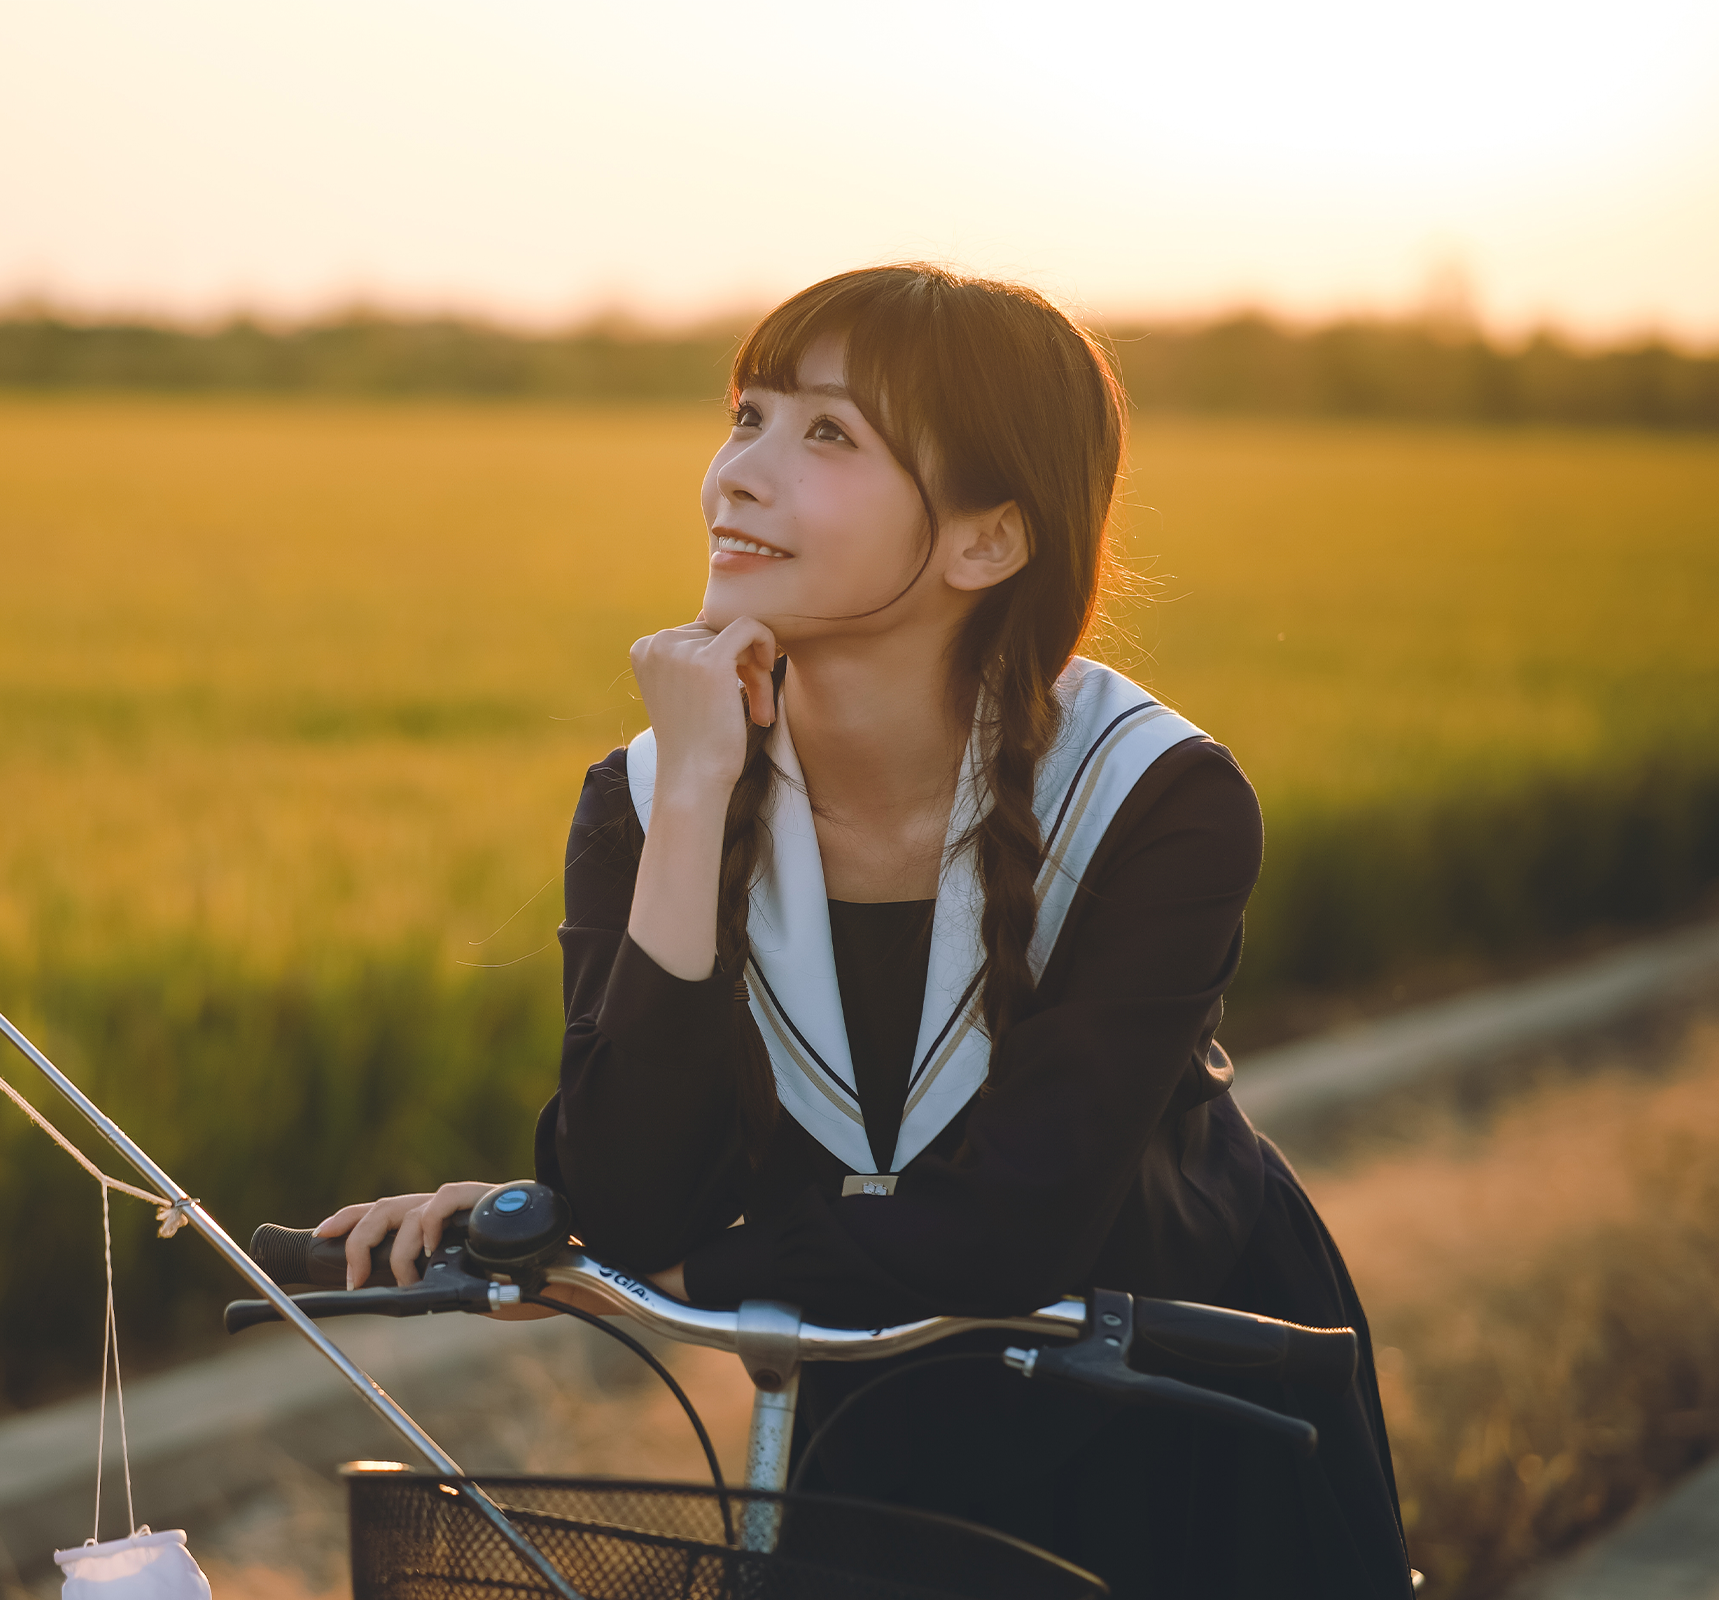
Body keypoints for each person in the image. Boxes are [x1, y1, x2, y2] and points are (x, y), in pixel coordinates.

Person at [315, 265, 1413, 1596]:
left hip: (1177, 1417)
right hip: (875, 1411)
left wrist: (682, 1267)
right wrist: (702, 790)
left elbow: (1018, 1223)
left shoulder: (1154, 798)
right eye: (747, 416)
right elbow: (630, 1190)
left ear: (985, 542)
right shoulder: (649, 795)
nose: (739, 474)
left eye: (828, 434)